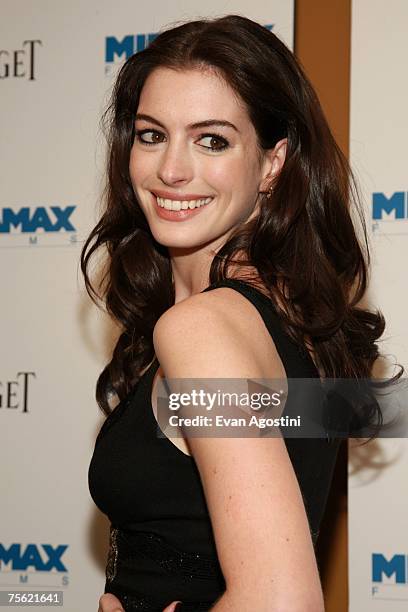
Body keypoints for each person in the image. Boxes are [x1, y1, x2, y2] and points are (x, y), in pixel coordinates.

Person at [81, 14, 386, 612]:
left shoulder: (202, 329)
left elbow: (281, 599)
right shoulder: (287, 316)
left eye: (211, 139)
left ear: (274, 163)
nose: (172, 168)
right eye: (150, 134)